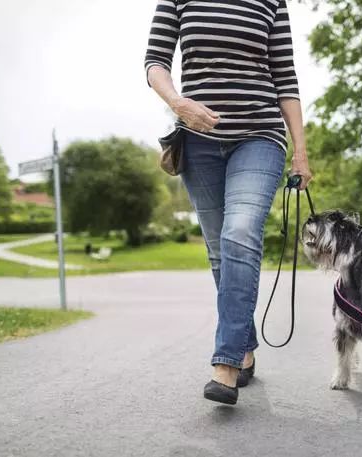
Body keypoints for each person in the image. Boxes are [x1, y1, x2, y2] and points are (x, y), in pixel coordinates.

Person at [145, 0, 312, 405]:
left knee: (239, 233)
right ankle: (244, 346)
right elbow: (155, 61)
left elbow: (285, 77)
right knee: (221, 251)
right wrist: (177, 102)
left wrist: (301, 152)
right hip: (198, 142)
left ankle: (226, 364)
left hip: (259, 137)